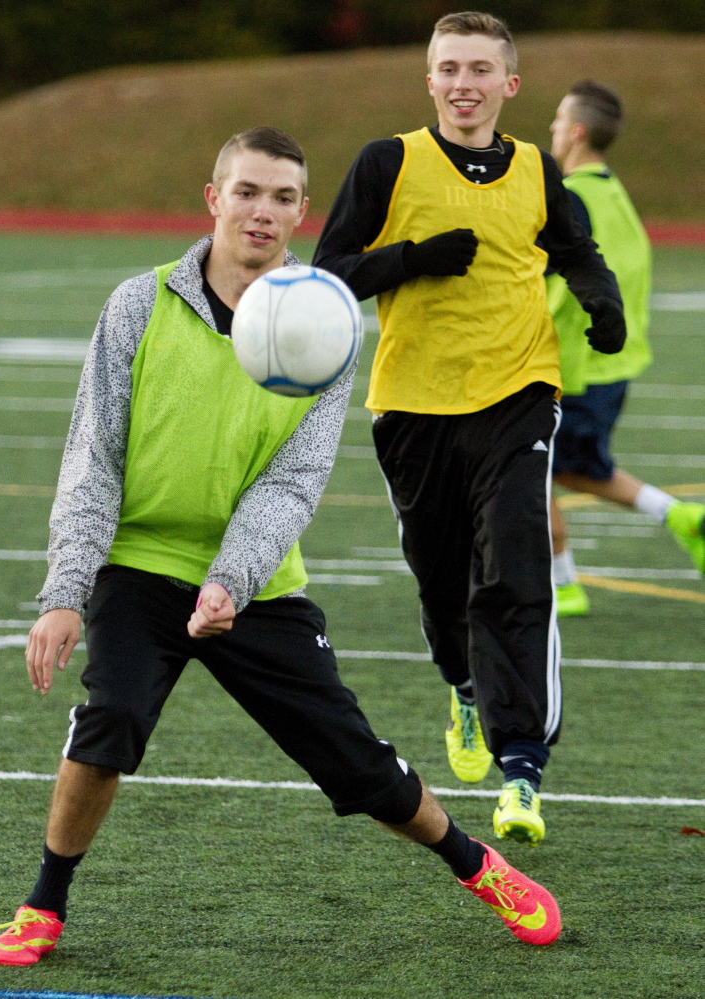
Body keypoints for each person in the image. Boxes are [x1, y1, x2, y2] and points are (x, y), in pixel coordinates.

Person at [0, 127, 562, 966]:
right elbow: (93, 456)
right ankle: (43, 904)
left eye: (283, 197)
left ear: (301, 212)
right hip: (139, 562)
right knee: (109, 714)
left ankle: (478, 864)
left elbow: (294, 479)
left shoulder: (325, 322)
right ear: (213, 199)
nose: (263, 211)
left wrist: (229, 580)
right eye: (247, 191)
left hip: (255, 582)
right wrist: (67, 591)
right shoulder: (139, 303)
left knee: (357, 762)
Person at [313, 12, 626, 845]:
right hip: (413, 405)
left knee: (514, 569)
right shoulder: (388, 161)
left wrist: (603, 300)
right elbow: (327, 275)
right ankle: (461, 684)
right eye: (449, 67)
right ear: (430, 80)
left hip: (519, 391)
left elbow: (577, 249)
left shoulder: (537, 168)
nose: (464, 83)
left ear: (508, 85)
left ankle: (522, 765)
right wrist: (410, 257)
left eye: (480, 69)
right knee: (442, 577)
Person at [546, 80, 705, 617]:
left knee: (527, 468)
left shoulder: (572, 197)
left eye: (558, 119)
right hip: (612, 363)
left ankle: (563, 583)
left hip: (575, 365)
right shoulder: (612, 191)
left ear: (577, 131)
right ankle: (679, 516)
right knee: (575, 469)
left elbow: (558, 280)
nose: (551, 129)